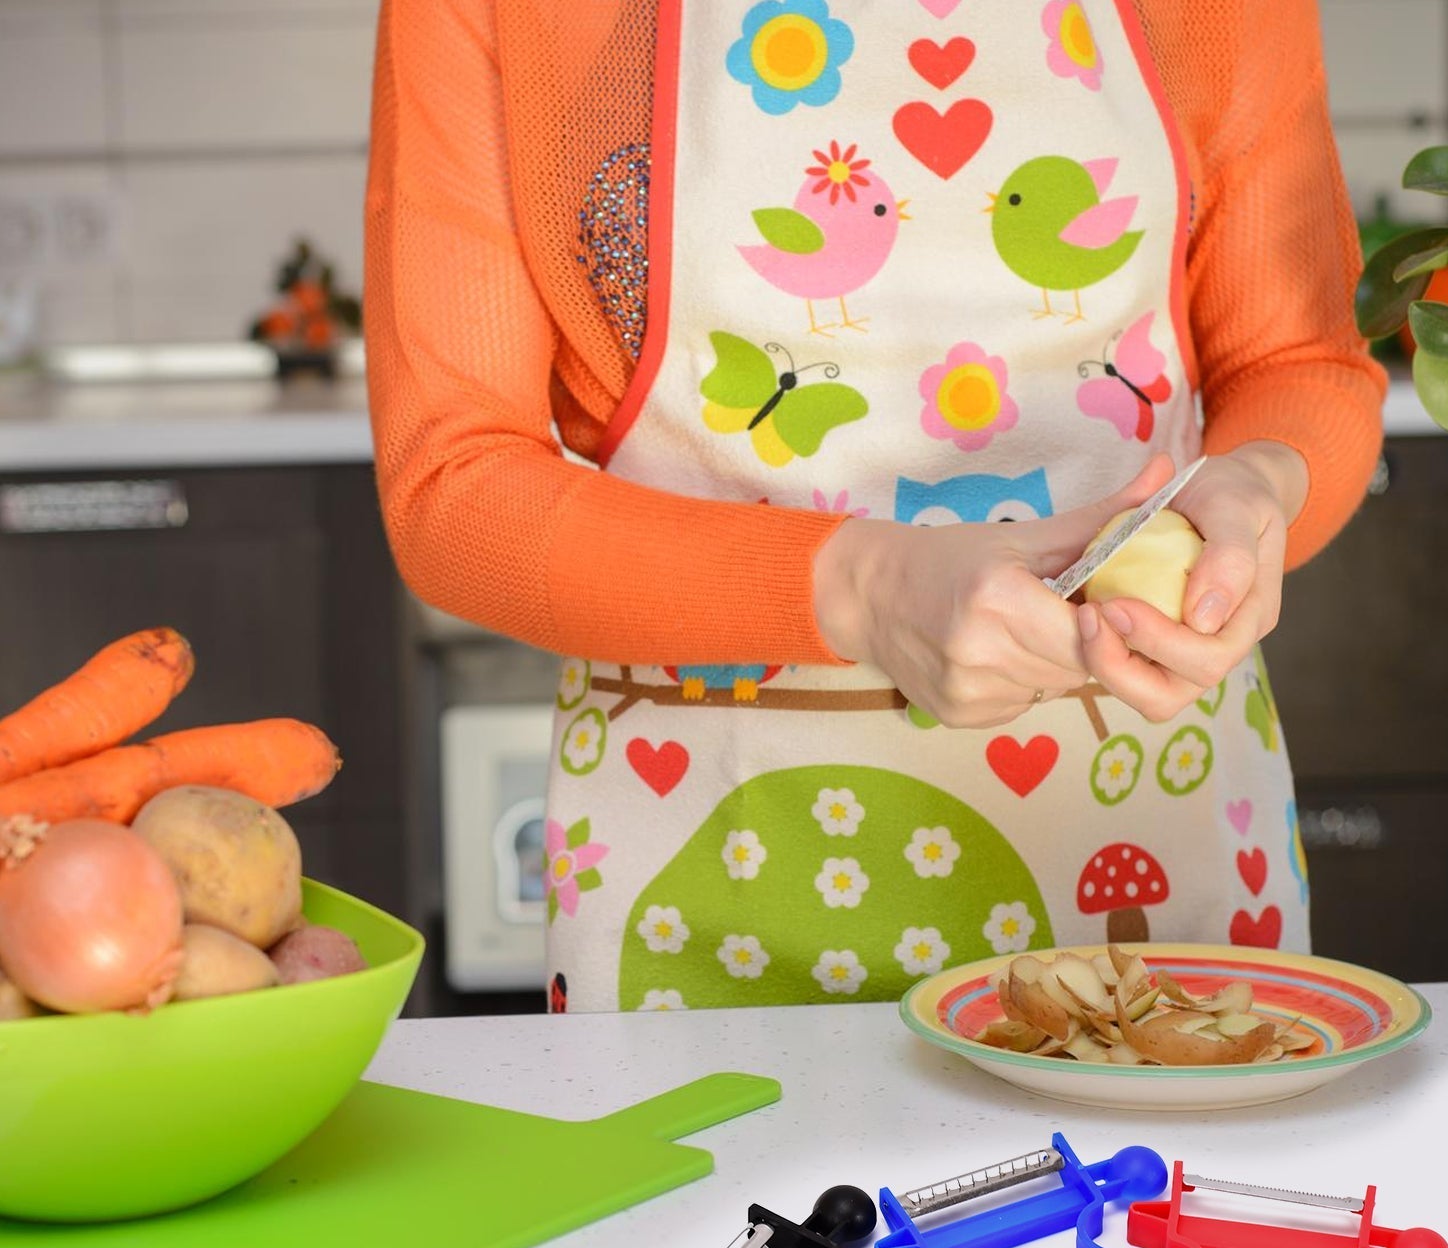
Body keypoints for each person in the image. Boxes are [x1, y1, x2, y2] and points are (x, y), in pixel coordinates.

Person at [364, 0, 1385, 1013]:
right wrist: (861, 585)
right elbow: (454, 488)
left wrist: (1262, 487)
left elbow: (1298, 365)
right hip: (714, 899)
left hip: (1158, 876)